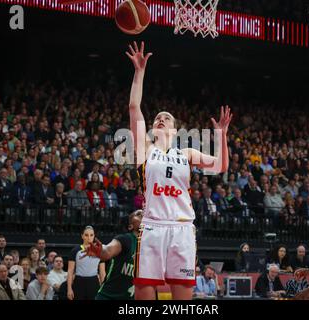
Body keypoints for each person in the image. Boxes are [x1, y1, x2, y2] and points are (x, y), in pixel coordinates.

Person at [126, 41, 231, 300]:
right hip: (152, 226)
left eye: (167, 117)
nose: (161, 118)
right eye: (157, 117)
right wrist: (139, 72)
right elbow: (133, 108)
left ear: (174, 129)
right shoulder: (145, 150)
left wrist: (221, 136)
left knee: (182, 296)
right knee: (144, 293)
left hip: (182, 228)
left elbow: (221, 165)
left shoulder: (187, 154)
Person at [95, 210, 142, 300]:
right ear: (130, 226)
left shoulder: (150, 246)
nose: (143, 215)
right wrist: (100, 251)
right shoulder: (125, 239)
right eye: (139, 214)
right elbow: (108, 251)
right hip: (107, 297)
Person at [67, 226, 102, 300]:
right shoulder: (75, 250)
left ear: (94, 236)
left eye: (91, 235)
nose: (89, 237)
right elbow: (70, 271)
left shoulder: (99, 250)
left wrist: (103, 289)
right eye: (86, 235)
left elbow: (102, 272)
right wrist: (69, 289)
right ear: (82, 236)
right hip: (79, 282)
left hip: (94, 282)